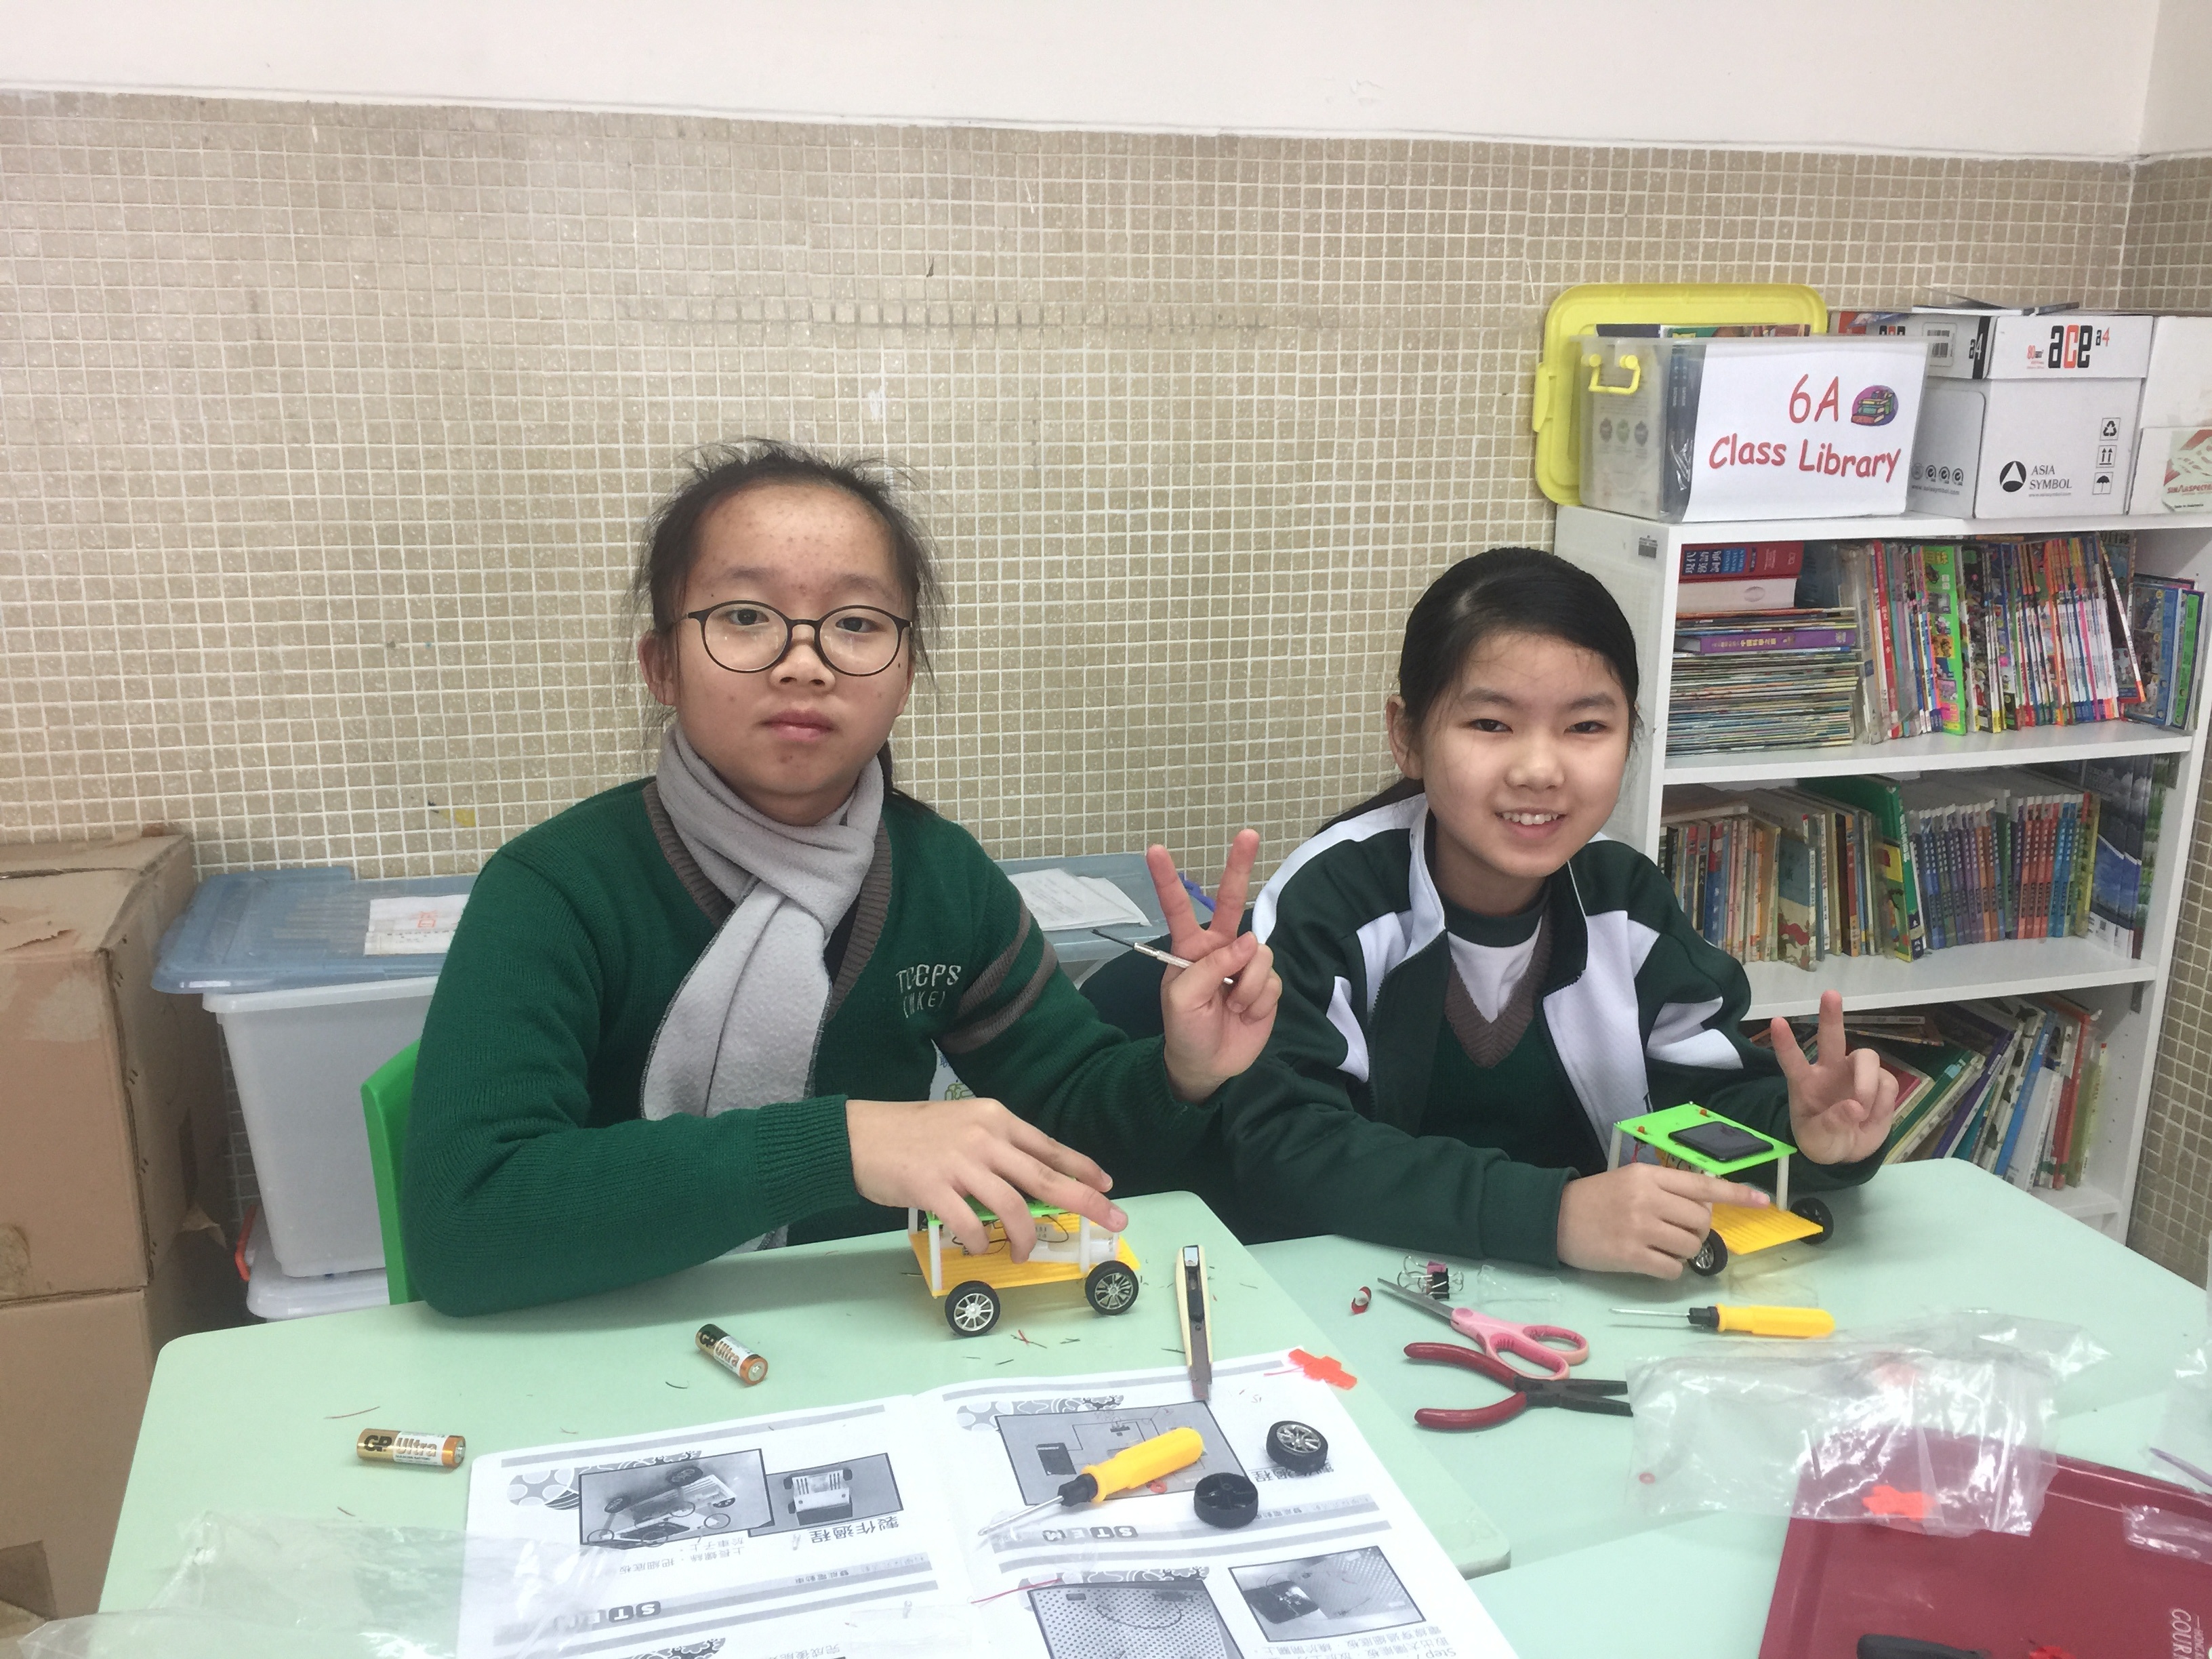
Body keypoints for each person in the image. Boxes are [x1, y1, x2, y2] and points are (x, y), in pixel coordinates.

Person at [403, 441, 1279, 1314]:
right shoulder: (554, 890)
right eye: (746, 615)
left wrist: (1182, 1073)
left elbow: (1071, 1139)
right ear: (662, 664)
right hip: (614, 1334)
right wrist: (841, 1145)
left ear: (904, 675)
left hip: (871, 1330)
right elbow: (465, 1226)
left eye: (856, 624)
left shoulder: (941, 878)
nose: (804, 662)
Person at [1221, 547, 1897, 1277]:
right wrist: (1552, 1215)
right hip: (1362, 1287)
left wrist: (1802, 1132)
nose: (1540, 771)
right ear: (1407, 736)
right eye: (1490, 724)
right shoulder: (1331, 902)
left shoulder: (1625, 901)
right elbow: (1286, 1144)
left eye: (1586, 727)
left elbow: (1700, 1100)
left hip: (1587, 1299)